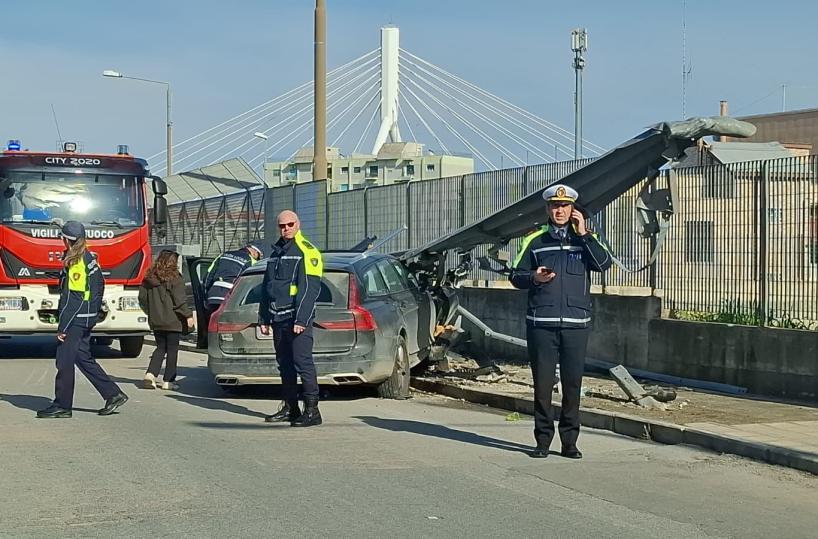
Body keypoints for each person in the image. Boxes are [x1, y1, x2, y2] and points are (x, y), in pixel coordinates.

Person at [510, 184, 612, 459]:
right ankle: (542, 440)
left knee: (572, 384)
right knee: (542, 386)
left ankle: (570, 442)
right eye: (555, 206)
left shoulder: (586, 239)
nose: (560, 210)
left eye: (565, 206)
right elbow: (515, 276)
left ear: (573, 210)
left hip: (576, 324)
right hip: (541, 323)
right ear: (548, 209)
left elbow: (604, 265)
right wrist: (534, 277)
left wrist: (584, 234)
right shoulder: (535, 240)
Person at [37, 221, 128, 419]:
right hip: (86, 318)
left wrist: (63, 326)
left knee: (64, 361)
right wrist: (92, 314)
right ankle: (113, 394)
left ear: (66, 240)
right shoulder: (89, 258)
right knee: (82, 357)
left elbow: (73, 298)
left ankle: (62, 405)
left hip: (76, 320)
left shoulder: (76, 262)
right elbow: (99, 287)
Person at [258, 210, 323, 427]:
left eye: (290, 224)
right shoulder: (276, 252)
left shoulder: (307, 251)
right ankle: (290, 408)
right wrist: (264, 317)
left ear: (298, 224)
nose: (286, 228)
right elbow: (267, 287)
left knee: (302, 363)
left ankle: (312, 410)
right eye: (282, 226)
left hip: (296, 319)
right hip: (278, 318)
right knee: (284, 365)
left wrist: (301, 320)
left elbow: (309, 290)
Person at [138, 249, 195, 390]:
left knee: (160, 348)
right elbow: (179, 301)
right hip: (173, 320)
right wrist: (188, 315)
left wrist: (151, 312)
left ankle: (150, 375)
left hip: (156, 320)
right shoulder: (175, 278)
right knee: (172, 350)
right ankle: (168, 381)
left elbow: (142, 299)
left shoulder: (148, 278)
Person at [203, 242, 266, 311]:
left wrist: (206, 294)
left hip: (213, 297)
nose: (258, 259)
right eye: (258, 256)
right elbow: (251, 286)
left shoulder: (223, 255)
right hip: (231, 300)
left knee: (212, 318)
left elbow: (208, 276)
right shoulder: (252, 261)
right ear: (255, 252)